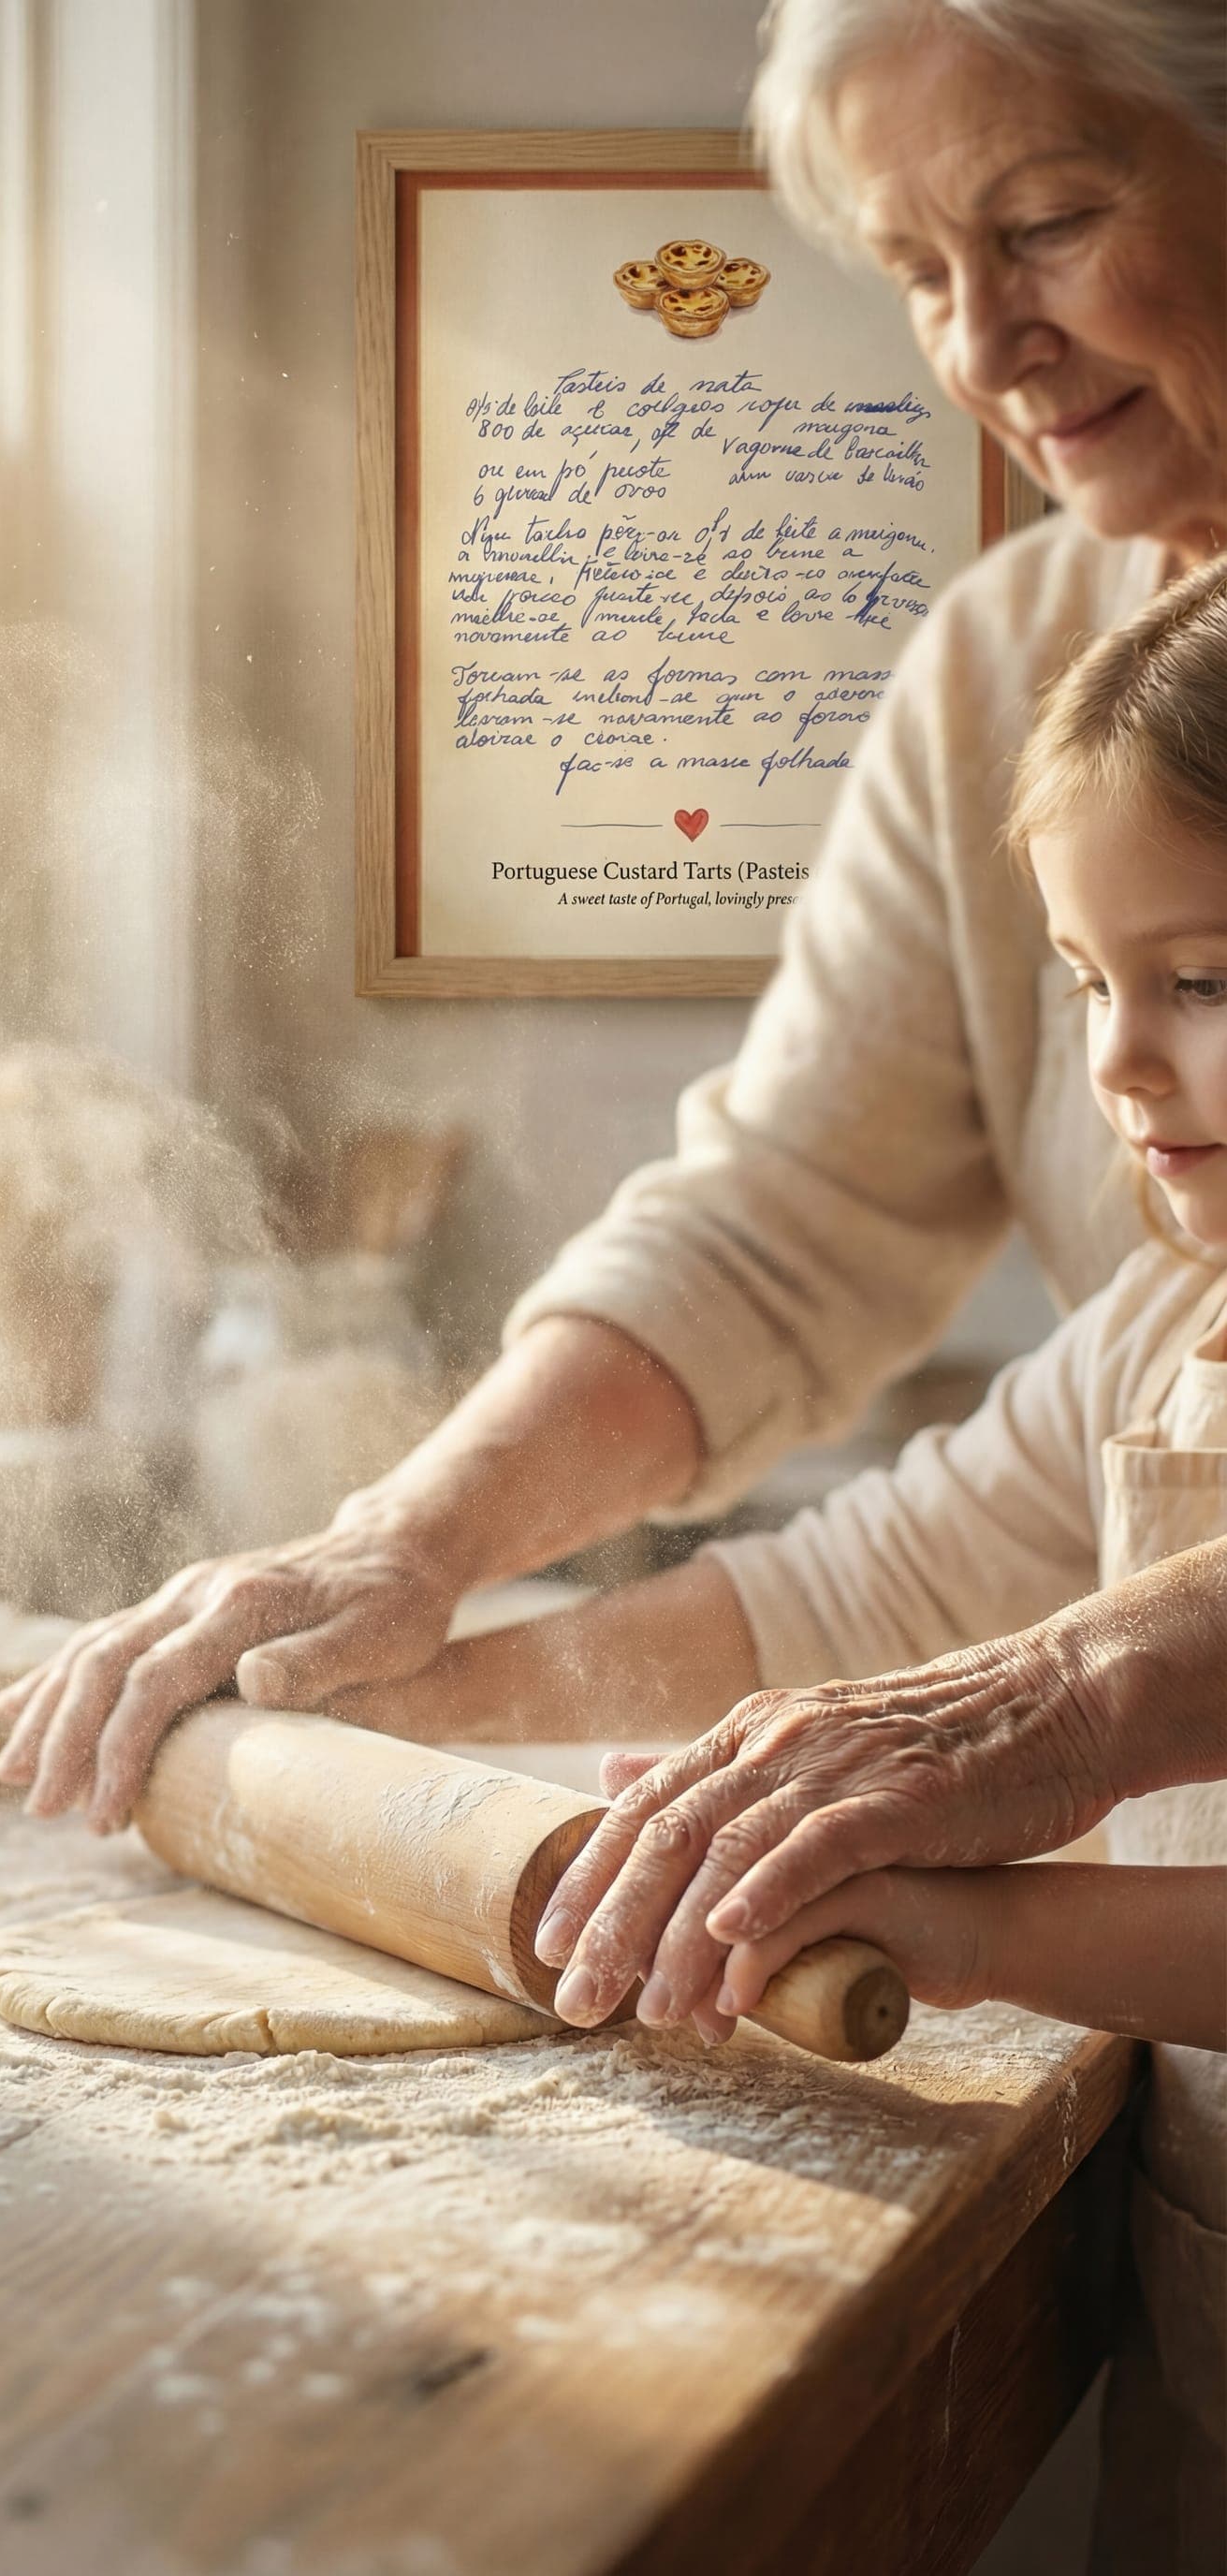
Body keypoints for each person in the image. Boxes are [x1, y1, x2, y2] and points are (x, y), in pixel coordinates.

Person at [0, 0, 1227, 1877]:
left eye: (1048, 223)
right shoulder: (1007, 667)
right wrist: (392, 1574)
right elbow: (783, 1245)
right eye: (914, 270)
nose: (982, 344)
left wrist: (1057, 1713)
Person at [537, 559, 1227, 2574]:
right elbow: (853, 1589)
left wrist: (968, 1925)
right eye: (1089, 982)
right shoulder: (1158, 1332)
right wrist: (381, 1675)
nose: (1116, 1062)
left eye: (1205, 977)